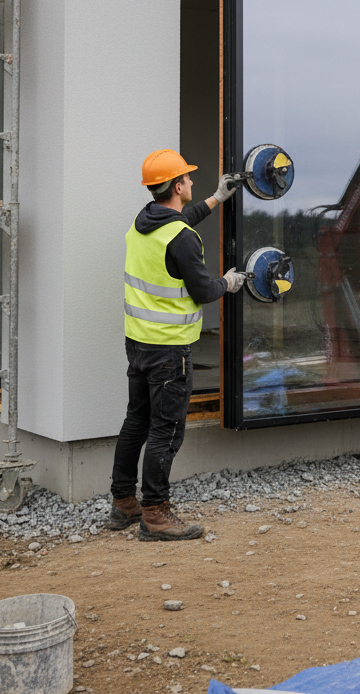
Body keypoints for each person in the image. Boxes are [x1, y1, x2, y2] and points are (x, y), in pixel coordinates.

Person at [109, 149, 247, 540]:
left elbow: (177, 222)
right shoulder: (183, 239)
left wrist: (218, 198)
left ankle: (123, 504)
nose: (190, 181)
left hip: (138, 344)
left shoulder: (142, 224)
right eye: (186, 177)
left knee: (136, 421)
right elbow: (203, 290)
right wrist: (230, 282)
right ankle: (154, 513)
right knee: (166, 431)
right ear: (176, 185)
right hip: (169, 351)